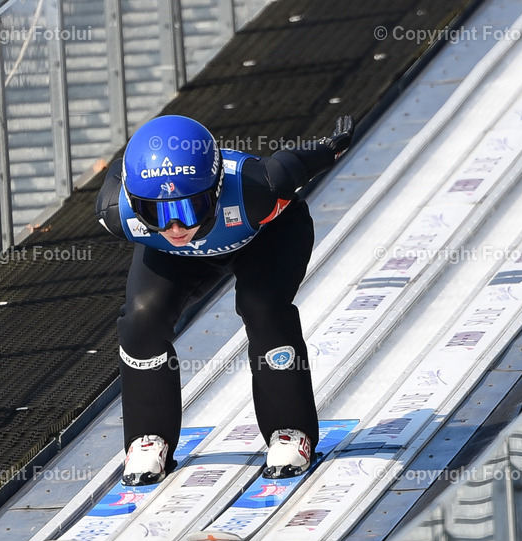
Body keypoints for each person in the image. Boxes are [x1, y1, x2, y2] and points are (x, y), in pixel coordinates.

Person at [95, 114, 353, 485]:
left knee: (261, 306)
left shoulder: (258, 188)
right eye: (157, 213)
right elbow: (121, 169)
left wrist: (331, 147)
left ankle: (290, 430)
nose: (176, 227)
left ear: (217, 190)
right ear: (135, 204)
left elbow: (296, 163)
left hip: (264, 235)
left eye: (188, 209)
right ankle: (146, 437)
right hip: (173, 257)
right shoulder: (116, 212)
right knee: (140, 319)